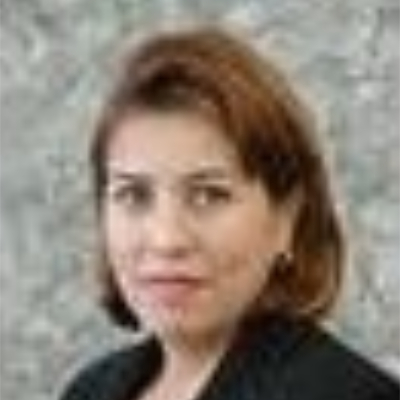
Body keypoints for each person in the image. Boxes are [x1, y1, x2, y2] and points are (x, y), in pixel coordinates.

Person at [60, 27, 399, 400]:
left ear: (286, 219)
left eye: (209, 195)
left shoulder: (345, 394)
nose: (166, 239)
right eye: (134, 195)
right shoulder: (90, 390)